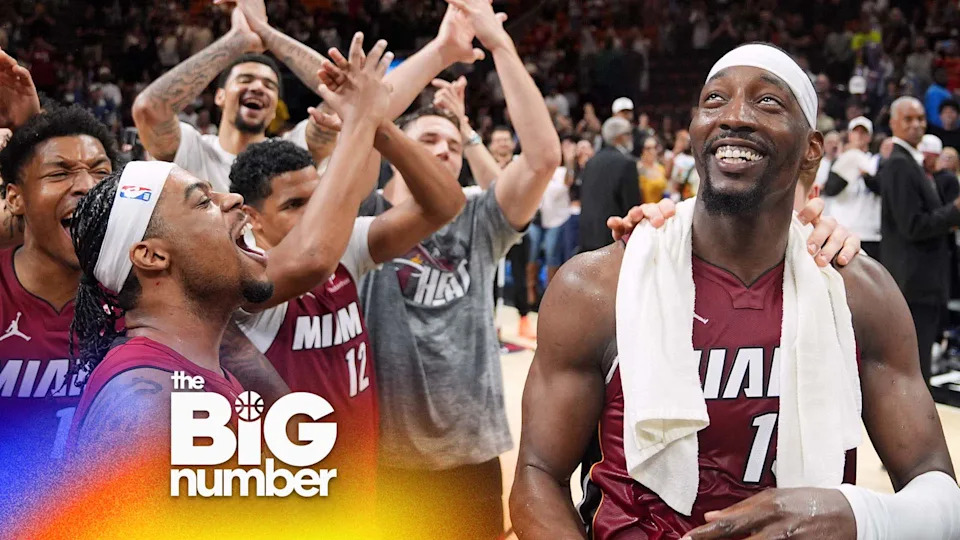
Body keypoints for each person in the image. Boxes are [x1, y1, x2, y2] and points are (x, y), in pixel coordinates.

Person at [512, 44, 959, 539]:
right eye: (714, 100)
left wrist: (860, 515)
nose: (734, 117)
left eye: (767, 101)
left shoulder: (859, 293)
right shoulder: (598, 286)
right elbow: (537, 476)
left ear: (812, 148)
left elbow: (939, 492)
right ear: (695, 128)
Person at [68, 34, 394, 454]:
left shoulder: (189, 372)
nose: (235, 200)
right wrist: (362, 118)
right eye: (204, 201)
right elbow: (312, 255)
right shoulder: (145, 406)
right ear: (152, 255)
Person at [351, 0, 561, 536]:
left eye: (452, 145)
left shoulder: (478, 219)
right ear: (396, 150)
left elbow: (541, 158)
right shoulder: (363, 215)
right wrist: (442, 50)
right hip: (385, 456)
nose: (444, 151)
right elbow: (364, 119)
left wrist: (500, 44)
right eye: (428, 140)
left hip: (470, 453)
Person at [227, 117, 464, 499]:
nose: (314, 214)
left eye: (318, 199)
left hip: (359, 477)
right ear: (252, 218)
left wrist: (380, 128)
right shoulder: (242, 275)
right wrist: (361, 118)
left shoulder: (342, 244)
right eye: (294, 205)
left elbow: (446, 205)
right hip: (289, 489)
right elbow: (314, 260)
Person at [0, 106, 117, 514]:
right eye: (59, 173)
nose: (87, 186)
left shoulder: (141, 294)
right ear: (14, 197)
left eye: (101, 172)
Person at [132, 1, 342, 192]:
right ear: (220, 97)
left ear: (274, 109)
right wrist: (237, 41)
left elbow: (341, 92)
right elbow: (149, 108)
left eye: (269, 85)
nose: (258, 87)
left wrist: (265, 31)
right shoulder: (193, 149)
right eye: (245, 79)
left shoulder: (293, 150)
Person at [880, 97, 960, 385]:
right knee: (915, 367)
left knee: (919, 361)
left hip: (921, 281)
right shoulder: (899, 165)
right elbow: (912, 226)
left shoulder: (911, 163)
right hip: (914, 282)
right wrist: (954, 211)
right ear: (893, 123)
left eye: (921, 119)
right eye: (908, 119)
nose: (916, 125)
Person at [822, 116, 882, 259]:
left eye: (863, 133)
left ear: (869, 137)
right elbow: (831, 190)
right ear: (849, 135)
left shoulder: (876, 161)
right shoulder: (839, 160)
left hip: (869, 232)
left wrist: (865, 175)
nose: (859, 136)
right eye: (856, 132)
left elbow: (880, 188)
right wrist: (849, 163)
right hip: (842, 228)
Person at [579, 116, 641, 252]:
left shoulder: (591, 162)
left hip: (587, 233)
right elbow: (632, 207)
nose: (631, 138)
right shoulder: (627, 163)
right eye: (628, 134)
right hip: (613, 236)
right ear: (620, 137)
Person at [638, 135, 668, 203]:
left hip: (659, 206)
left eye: (655, 147)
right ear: (642, 150)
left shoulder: (660, 168)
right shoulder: (638, 168)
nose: (652, 151)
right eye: (648, 148)